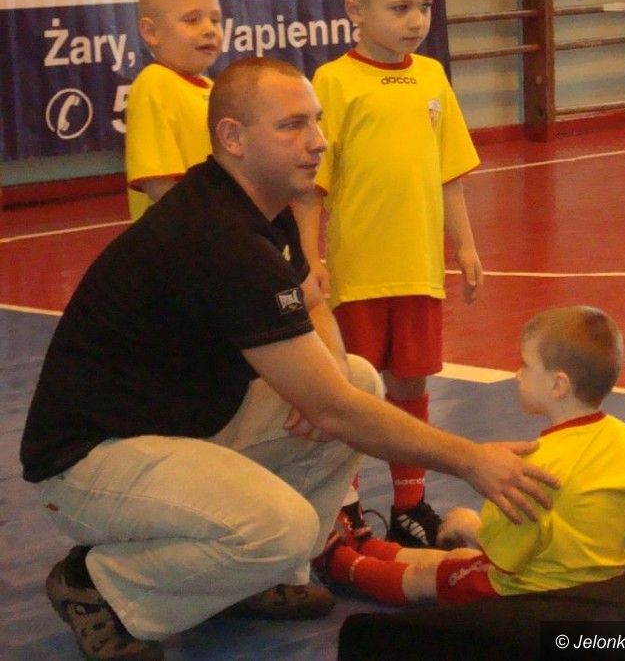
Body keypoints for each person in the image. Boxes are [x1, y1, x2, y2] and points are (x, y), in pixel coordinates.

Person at [20, 58, 559, 660]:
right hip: (87, 466)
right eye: (292, 126)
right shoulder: (219, 235)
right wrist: (472, 460)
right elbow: (334, 411)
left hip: (174, 430)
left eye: (317, 121)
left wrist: (329, 384)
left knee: (356, 379)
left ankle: (245, 576)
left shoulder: (255, 208)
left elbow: (314, 305)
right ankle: (100, 586)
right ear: (233, 137)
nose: (318, 141)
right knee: (288, 523)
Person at [293, 0, 483, 548]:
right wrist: (309, 257)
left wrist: (465, 245)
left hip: (420, 271)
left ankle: (409, 504)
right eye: (399, 8)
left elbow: (449, 172)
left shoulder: (432, 76)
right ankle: (344, 507)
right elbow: (312, 186)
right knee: (353, 391)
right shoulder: (333, 81)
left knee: (410, 386)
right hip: (359, 275)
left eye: (424, 6)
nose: (416, 21)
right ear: (355, 10)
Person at [322, 306, 625, 606]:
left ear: (558, 385)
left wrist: (471, 526)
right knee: (456, 560)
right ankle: (372, 548)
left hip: (526, 590)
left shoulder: (536, 465)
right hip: (593, 581)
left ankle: (343, 565)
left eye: (525, 365)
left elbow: (504, 559)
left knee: (430, 576)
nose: (517, 374)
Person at [125, 0, 223, 219]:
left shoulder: (212, 88)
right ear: (151, 32)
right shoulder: (154, 84)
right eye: (192, 20)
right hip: (181, 232)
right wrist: (207, 221)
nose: (209, 30)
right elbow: (158, 181)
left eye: (215, 20)